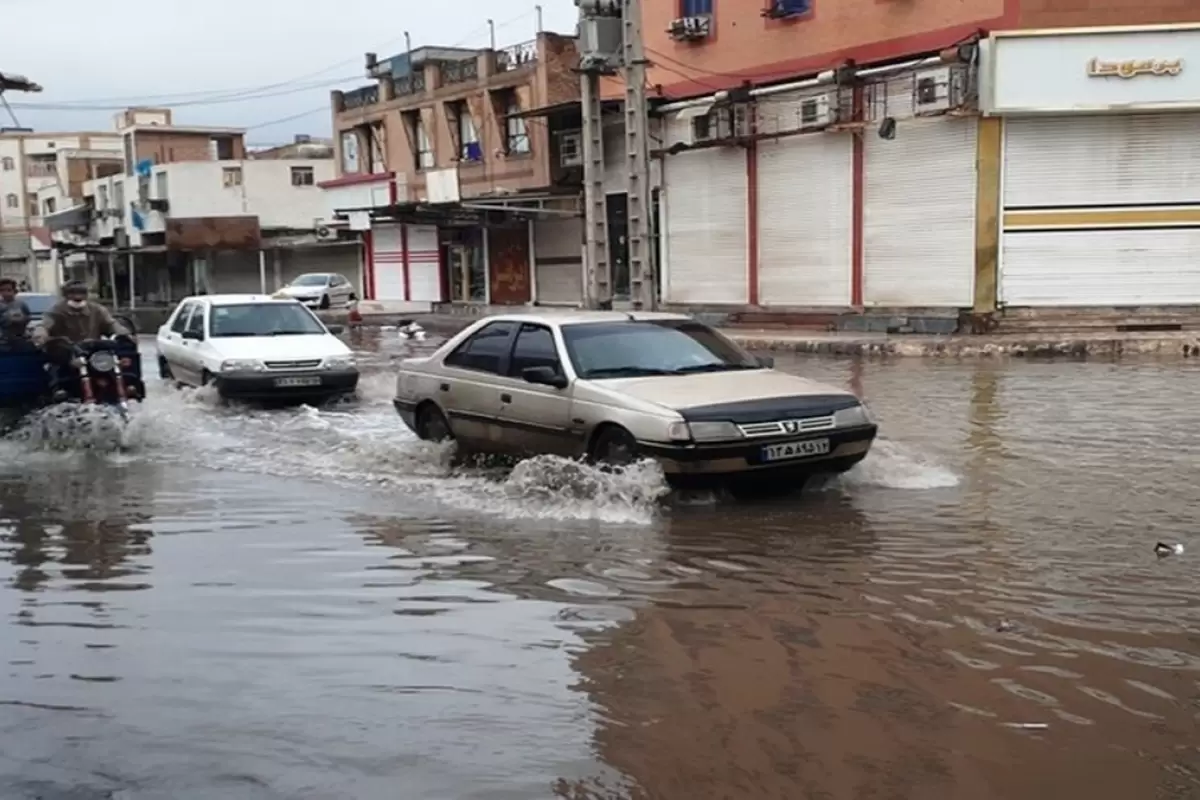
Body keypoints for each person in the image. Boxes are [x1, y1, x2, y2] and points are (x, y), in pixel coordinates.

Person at [32, 280, 130, 345]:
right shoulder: (55, 311)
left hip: (94, 351)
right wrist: (40, 335)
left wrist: (123, 333)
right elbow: (44, 325)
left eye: (82, 293)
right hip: (67, 353)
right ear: (65, 295)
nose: (77, 297)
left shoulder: (97, 310)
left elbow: (110, 324)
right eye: (72, 293)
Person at [0, 277, 32, 345]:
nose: (5, 293)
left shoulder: (21, 304)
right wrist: (7, 319)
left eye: (9, 290)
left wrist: (22, 319)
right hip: (4, 340)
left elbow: (28, 317)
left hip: (21, 338)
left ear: (14, 291)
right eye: (2, 290)